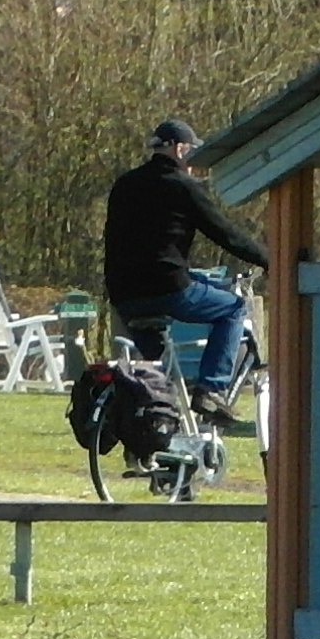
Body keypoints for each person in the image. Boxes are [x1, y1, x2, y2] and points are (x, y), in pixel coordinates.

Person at [100, 117, 265, 423]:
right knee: (233, 309)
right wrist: (270, 259)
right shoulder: (182, 186)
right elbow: (225, 233)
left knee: (159, 377)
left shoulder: (125, 184)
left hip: (124, 295)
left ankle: (159, 440)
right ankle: (212, 389)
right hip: (167, 288)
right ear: (180, 149)